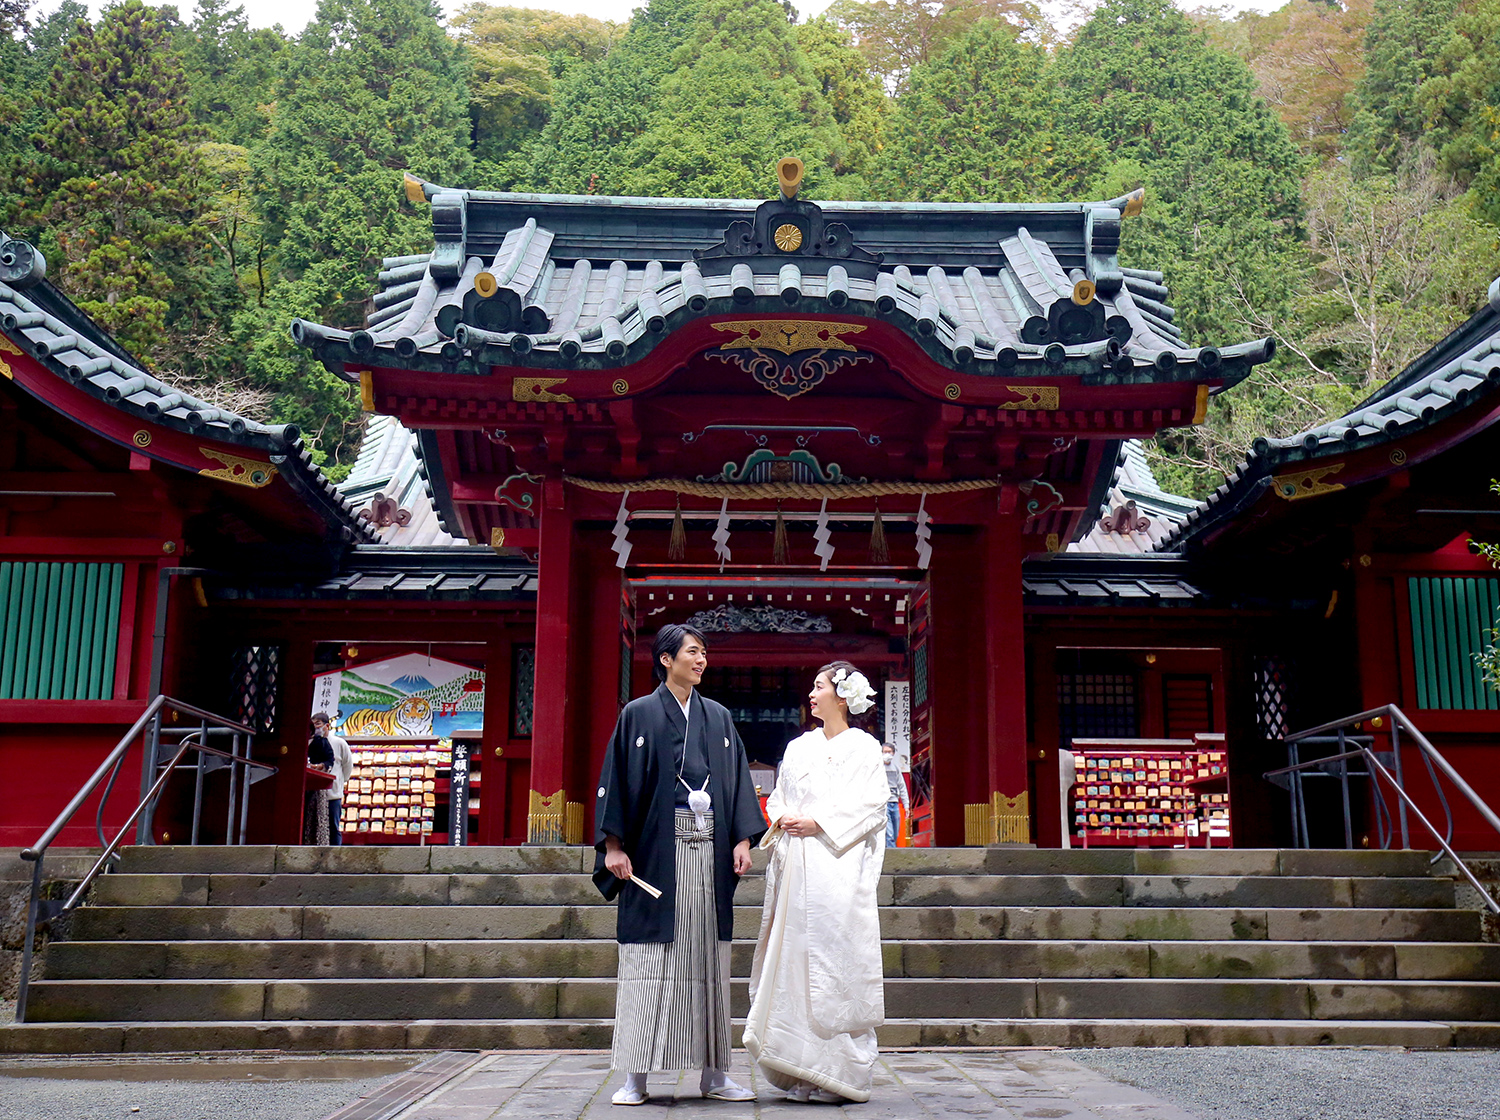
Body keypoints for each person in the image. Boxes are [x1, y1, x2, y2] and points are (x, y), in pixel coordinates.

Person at [593, 624, 767, 1106]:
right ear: (666, 659)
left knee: (710, 960)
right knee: (648, 962)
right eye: (692, 652)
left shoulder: (718, 717)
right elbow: (617, 780)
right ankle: (636, 1077)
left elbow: (735, 784)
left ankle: (715, 1073)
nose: (701, 659)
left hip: (708, 853)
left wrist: (743, 838)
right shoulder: (639, 714)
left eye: (704, 652)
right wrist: (613, 847)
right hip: (655, 852)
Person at [744, 661, 889, 1104]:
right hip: (796, 865)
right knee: (794, 959)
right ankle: (803, 1070)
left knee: (835, 961)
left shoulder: (864, 748)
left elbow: (872, 805)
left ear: (842, 696)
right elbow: (779, 796)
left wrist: (820, 821)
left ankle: (842, 1072)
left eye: (819, 686)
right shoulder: (799, 747)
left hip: (837, 865)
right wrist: (783, 814)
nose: (812, 692)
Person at [312, 712, 353, 846]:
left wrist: (339, 783)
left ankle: (336, 856)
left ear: (327, 725)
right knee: (313, 825)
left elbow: (348, 766)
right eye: (313, 725)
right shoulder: (311, 742)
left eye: (318, 724)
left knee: (333, 827)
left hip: (333, 793)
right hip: (314, 792)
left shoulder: (339, 743)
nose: (315, 728)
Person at [303, 726, 334, 845]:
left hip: (315, 785)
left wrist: (320, 766)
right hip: (299, 784)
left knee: (316, 818)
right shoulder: (299, 741)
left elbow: (329, 760)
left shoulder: (321, 742)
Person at [881, 742, 909, 848]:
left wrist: (906, 805)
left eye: (889, 752)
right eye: (885, 752)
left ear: (893, 753)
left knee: (896, 830)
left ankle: (891, 849)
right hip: (884, 802)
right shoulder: (878, 768)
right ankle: (891, 854)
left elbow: (902, 786)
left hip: (895, 802)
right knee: (889, 832)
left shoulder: (896, 768)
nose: (887, 754)